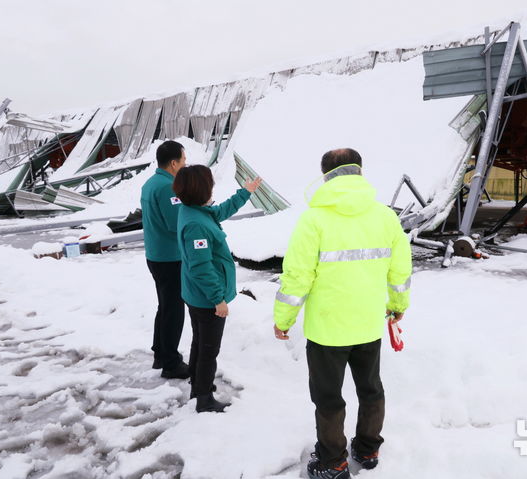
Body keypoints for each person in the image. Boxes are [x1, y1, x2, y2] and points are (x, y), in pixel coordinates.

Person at [273, 148, 412, 479]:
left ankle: (332, 461)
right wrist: (397, 307)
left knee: (328, 398)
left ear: (325, 175)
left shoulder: (313, 219)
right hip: (368, 325)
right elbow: (400, 270)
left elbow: (297, 277)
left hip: (327, 331)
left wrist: (283, 319)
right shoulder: (385, 216)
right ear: (359, 171)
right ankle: (368, 448)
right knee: (371, 389)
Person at [173, 164, 262, 413]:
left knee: (200, 343)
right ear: (201, 190)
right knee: (208, 349)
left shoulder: (194, 211)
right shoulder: (196, 226)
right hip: (205, 299)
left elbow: (219, 212)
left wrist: (245, 193)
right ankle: (204, 398)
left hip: (196, 295)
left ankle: (197, 386)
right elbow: (201, 267)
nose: (212, 188)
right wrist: (218, 299)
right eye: (209, 185)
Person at [140, 140, 190, 379]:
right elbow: (175, 224)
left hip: (155, 254)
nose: (185, 164)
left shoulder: (150, 183)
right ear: (173, 163)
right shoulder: (168, 187)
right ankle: (171, 362)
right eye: (183, 161)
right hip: (170, 257)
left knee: (165, 306)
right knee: (174, 309)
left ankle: (160, 353)